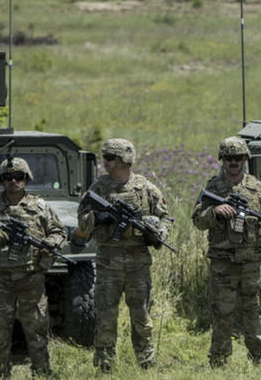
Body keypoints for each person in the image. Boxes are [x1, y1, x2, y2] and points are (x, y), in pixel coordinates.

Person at [0, 157, 65, 379]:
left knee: (37, 329)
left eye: (18, 177)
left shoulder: (40, 206)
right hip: (0, 279)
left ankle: (42, 373)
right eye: (8, 177)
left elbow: (59, 232)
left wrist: (51, 243)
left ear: (26, 179)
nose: (13, 181)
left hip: (31, 277)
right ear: (2, 180)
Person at [77, 138, 171, 372]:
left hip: (139, 265)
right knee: (105, 318)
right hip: (108, 264)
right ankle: (105, 365)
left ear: (124, 159)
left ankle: (146, 364)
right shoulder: (98, 189)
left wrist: (156, 234)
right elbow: (82, 222)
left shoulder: (146, 188)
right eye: (105, 157)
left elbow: (165, 219)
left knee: (142, 317)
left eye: (110, 157)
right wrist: (98, 218)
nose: (105, 161)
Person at [192, 137, 261, 368]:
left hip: (252, 261)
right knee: (222, 312)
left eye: (238, 158)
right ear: (222, 160)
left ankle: (260, 357)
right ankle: (219, 359)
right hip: (223, 262)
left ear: (245, 159)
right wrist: (215, 212)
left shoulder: (257, 187)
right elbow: (198, 221)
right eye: (229, 158)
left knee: (255, 310)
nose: (233, 162)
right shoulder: (213, 188)